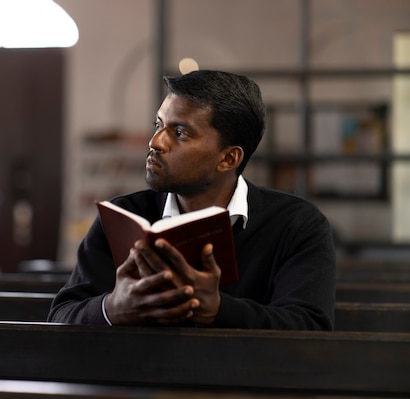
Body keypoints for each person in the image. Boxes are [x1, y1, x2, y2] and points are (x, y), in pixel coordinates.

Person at [48, 69, 336, 329]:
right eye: (158, 124)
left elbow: (310, 326)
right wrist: (112, 308)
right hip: (138, 383)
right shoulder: (122, 216)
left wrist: (219, 310)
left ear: (228, 158)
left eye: (180, 132)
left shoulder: (297, 225)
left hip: (241, 386)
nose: (156, 142)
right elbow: (60, 316)